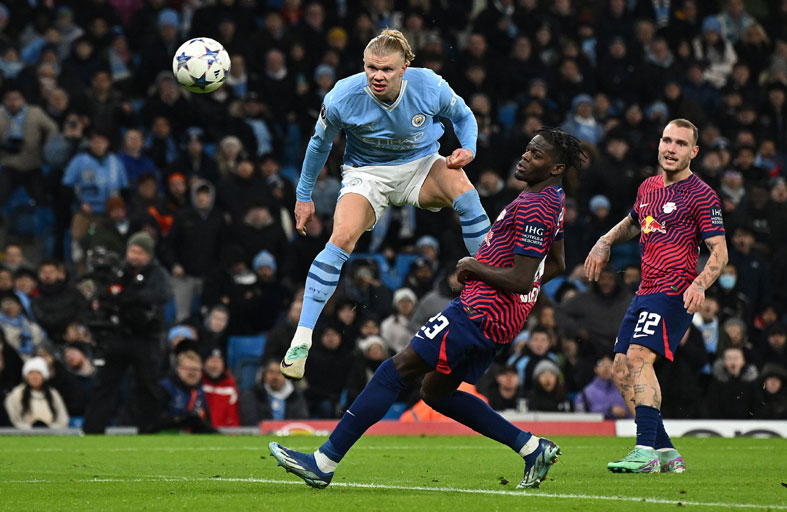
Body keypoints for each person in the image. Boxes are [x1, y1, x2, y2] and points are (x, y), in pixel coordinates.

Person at [270, 128, 583, 490]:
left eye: (537, 154)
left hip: (478, 312)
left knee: (393, 372)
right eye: (528, 149)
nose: (526, 156)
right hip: (498, 318)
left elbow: (523, 278)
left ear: (557, 167)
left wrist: (473, 267)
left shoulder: (536, 206)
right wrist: (510, 293)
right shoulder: (552, 199)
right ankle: (531, 448)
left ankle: (323, 462)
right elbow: (555, 264)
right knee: (436, 393)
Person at [280, 29, 490, 380]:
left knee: (466, 192)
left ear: (405, 67)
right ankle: (301, 340)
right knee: (341, 238)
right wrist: (303, 197)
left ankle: (493, 287)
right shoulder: (342, 96)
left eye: (387, 69)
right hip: (367, 174)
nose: (377, 76)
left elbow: (465, 117)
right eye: (371, 68)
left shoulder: (429, 85)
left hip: (422, 164)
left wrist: (468, 148)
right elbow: (319, 145)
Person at [584, 119, 728, 474]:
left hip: (675, 290)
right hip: (645, 291)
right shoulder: (648, 187)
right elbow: (634, 222)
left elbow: (720, 251)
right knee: (620, 369)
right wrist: (605, 241)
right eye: (666, 140)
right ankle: (665, 451)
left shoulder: (702, 194)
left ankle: (644, 450)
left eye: (680, 143)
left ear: (693, 152)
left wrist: (699, 284)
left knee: (637, 359)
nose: (671, 148)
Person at [82, 232, 173, 434]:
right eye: (132, 251)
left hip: (146, 337)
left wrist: (128, 297)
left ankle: (149, 429)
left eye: (140, 252)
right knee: (105, 384)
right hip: (119, 334)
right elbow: (101, 292)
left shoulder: (157, 274)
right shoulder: (119, 271)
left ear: (149, 255)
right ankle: (92, 429)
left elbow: (161, 294)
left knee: (147, 385)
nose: (135, 256)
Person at [4, 356, 69, 429]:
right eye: (31, 373)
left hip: (51, 433)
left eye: (38, 373)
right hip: (23, 434)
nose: (34, 377)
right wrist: (30, 428)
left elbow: (63, 419)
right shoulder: (16, 394)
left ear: (44, 376)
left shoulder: (53, 394)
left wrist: (48, 428)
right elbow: (14, 420)